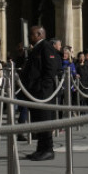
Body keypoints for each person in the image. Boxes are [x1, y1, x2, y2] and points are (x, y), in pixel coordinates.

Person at [22, 25, 61, 161]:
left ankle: (48, 149)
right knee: (39, 120)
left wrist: (43, 87)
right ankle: (41, 149)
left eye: (31, 34)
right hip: (35, 91)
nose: (29, 37)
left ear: (39, 34)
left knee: (45, 121)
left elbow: (51, 68)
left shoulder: (46, 47)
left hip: (43, 92)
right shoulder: (36, 48)